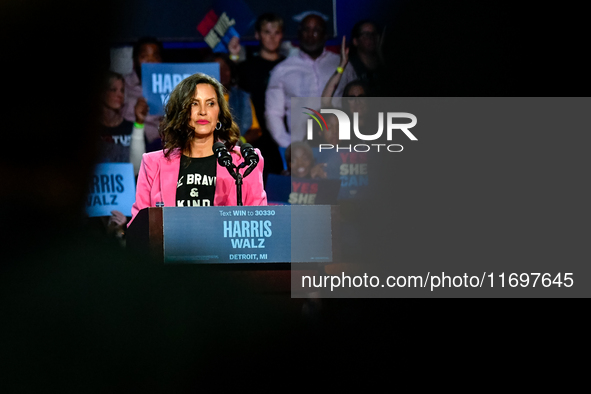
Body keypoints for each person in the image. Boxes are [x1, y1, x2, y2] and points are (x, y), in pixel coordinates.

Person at [129, 73, 267, 225]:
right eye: (194, 103)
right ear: (181, 112)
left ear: (219, 114)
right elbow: (139, 227)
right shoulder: (152, 164)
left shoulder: (245, 162)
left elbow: (258, 224)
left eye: (210, 103)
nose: (203, 111)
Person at [265, 13, 344, 151]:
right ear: (299, 34)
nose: (310, 34)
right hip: (302, 150)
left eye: (316, 30)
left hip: (340, 147)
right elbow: (273, 113)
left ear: (325, 34)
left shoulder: (341, 64)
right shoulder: (282, 70)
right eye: (306, 30)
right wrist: (289, 144)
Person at [236, 13, 286, 179]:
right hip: (257, 140)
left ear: (282, 35)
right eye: (267, 32)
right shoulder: (245, 68)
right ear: (257, 35)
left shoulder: (291, 67)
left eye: (276, 32)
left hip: (288, 139)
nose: (272, 38)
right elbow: (236, 102)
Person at [121, 36, 164, 153]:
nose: (150, 62)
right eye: (144, 56)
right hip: (128, 146)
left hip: (162, 149)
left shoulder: (171, 86)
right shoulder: (123, 84)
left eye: (155, 57)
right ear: (135, 61)